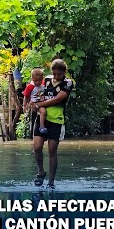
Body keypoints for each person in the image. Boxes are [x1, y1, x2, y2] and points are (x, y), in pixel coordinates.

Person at [31, 59, 74, 189]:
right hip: (42, 118)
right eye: (54, 73)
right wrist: (32, 102)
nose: (56, 76)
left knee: (51, 151)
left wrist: (39, 104)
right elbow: (34, 88)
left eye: (59, 74)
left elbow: (58, 99)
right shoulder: (47, 80)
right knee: (37, 147)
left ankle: (51, 181)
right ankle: (41, 171)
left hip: (56, 120)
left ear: (64, 72)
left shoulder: (68, 83)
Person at [22, 68, 48, 135]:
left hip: (43, 102)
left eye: (39, 80)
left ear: (42, 78)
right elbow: (26, 96)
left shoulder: (44, 84)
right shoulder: (30, 86)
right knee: (43, 111)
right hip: (35, 103)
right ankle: (42, 126)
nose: (37, 82)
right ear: (32, 79)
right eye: (35, 81)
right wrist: (25, 105)